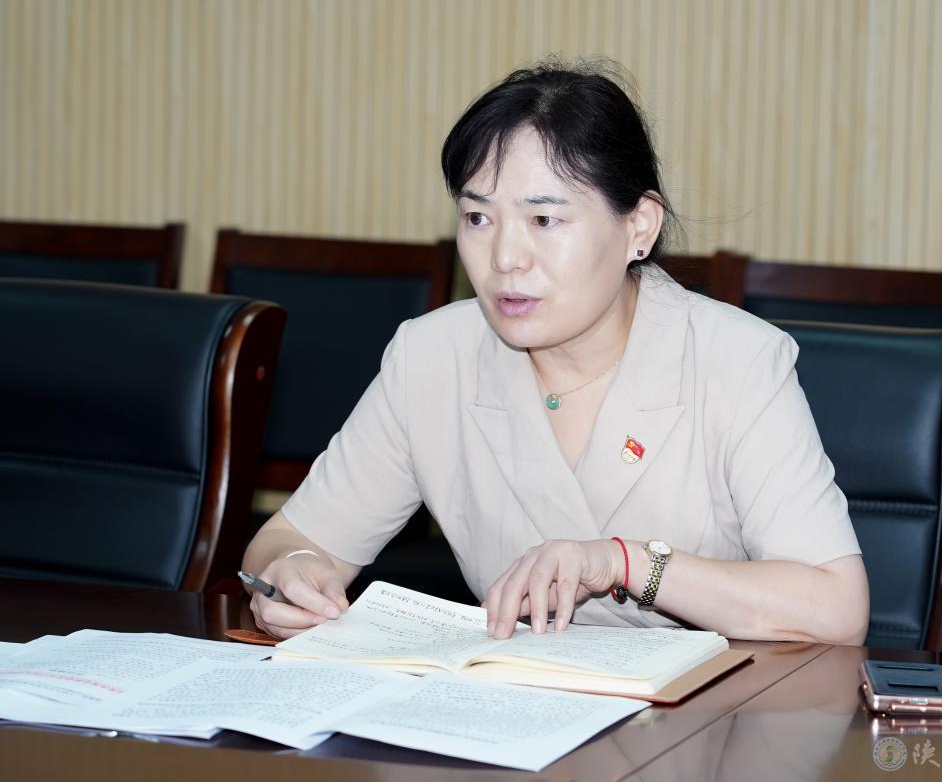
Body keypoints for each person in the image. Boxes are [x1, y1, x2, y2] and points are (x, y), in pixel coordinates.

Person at [242, 59, 869, 644]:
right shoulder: (433, 357)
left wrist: (625, 563)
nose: (505, 258)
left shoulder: (737, 360)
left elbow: (835, 608)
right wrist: (292, 573)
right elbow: (293, 537)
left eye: (544, 220)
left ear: (639, 226)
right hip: (511, 711)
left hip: (701, 714)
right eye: (478, 218)